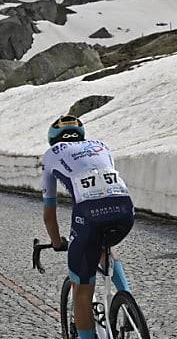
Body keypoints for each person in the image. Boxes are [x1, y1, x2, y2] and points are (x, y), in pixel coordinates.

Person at [41, 115, 134, 339]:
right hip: (125, 209)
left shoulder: (52, 154)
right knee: (104, 249)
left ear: (53, 138)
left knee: (81, 289)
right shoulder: (101, 145)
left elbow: (49, 215)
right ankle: (127, 304)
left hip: (90, 215)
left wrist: (56, 242)